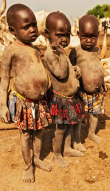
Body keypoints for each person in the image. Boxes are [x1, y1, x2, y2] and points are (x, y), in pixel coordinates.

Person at [0, 4, 52, 183]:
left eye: (34, 25)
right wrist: (2, 106)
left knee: (39, 132)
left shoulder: (36, 49)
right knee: (26, 134)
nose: (32, 30)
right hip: (24, 102)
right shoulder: (11, 50)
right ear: (13, 30)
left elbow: (40, 71)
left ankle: (37, 159)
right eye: (26, 26)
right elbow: (4, 80)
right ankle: (28, 165)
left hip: (39, 102)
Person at [44, 12, 85, 168]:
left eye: (67, 35)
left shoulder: (60, 52)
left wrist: (75, 69)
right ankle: (56, 155)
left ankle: (67, 149)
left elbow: (66, 69)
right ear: (47, 34)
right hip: (60, 99)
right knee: (60, 129)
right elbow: (60, 73)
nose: (64, 39)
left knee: (69, 124)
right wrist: (62, 54)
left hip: (69, 98)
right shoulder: (50, 53)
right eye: (60, 35)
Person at [69, 14, 107, 152]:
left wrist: (103, 83)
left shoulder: (97, 51)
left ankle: (91, 133)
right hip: (81, 92)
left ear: (97, 35)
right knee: (79, 116)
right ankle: (77, 140)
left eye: (93, 37)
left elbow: (99, 67)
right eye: (85, 37)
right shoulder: (76, 51)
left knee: (95, 114)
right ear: (78, 34)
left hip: (96, 92)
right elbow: (70, 69)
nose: (89, 40)